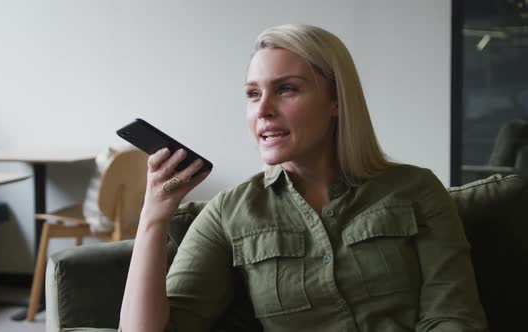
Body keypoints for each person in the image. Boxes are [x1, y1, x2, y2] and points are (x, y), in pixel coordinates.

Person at [120, 24, 488, 332]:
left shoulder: (416, 190)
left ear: (336, 101)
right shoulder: (228, 214)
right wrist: (154, 216)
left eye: (286, 89)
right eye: (252, 94)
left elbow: (453, 316)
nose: (262, 110)